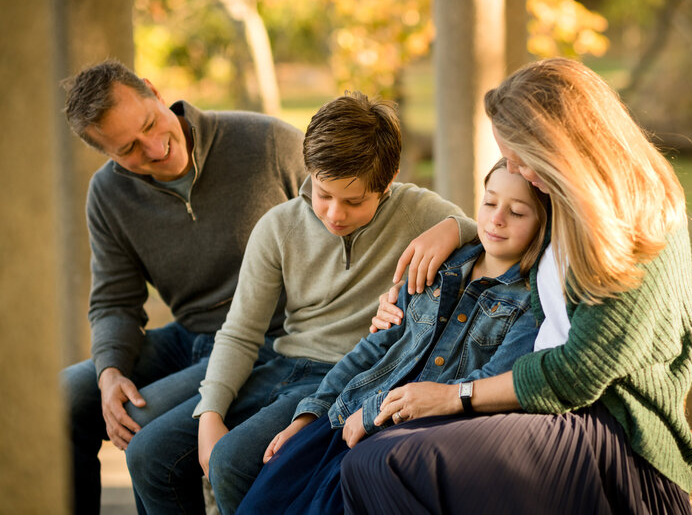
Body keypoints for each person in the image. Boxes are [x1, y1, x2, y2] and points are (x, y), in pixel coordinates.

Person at [343, 58, 692, 515]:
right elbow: (510, 228)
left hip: (613, 433)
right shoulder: (567, 201)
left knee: (386, 461)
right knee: (373, 454)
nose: (512, 166)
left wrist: (455, 397)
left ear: (559, 146)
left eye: (519, 155)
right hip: (547, 407)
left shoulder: (634, 219)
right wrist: (458, 229)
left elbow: (579, 375)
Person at [124, 91, 477, 515]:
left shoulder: (418, 211)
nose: (333, 214)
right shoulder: (279, 226)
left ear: (388, 181)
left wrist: (455, 229)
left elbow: (495, 236)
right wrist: (211, 411)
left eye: (354, 200)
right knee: (148, 456)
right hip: (281, 365)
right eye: (323, 193)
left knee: (233, 462)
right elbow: (239, 332)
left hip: (346, 375)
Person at [60, 59, 307, 515]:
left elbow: (351, 211)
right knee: (70, 393)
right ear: (107, 155)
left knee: (142, 427)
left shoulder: (268, 144)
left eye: (151, 124)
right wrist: (110, 371)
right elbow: (115, 299)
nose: (154, 149)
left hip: (271, 339)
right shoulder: (109, 194)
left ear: (153, 91)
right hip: (191, 335)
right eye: (128, 149)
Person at [235, 159, 547, 515]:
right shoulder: (440, 262)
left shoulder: (532, 303)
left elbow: (485, 387)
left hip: (397, 440)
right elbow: (374, 347)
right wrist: (309, 416)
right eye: (490, 202)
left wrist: (371, 415)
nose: (496, 219)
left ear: (544, 225)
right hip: (345, 413)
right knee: (264, 496)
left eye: (518, 212)